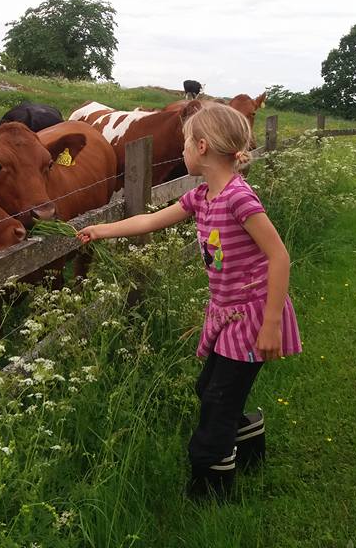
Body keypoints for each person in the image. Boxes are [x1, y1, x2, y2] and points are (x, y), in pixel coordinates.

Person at [77, 102, 301, 499]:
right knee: (211, 390)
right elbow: (149, 220)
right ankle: (249, 445)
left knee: (216, 401)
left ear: (201, 147)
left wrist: (271, 324)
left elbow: (279, 256)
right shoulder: (201, 196)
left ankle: (210, 490)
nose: (180, 151)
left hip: (252, 315)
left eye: (184, 144)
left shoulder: (239, 199)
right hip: (226, 312)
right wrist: (101, 229)